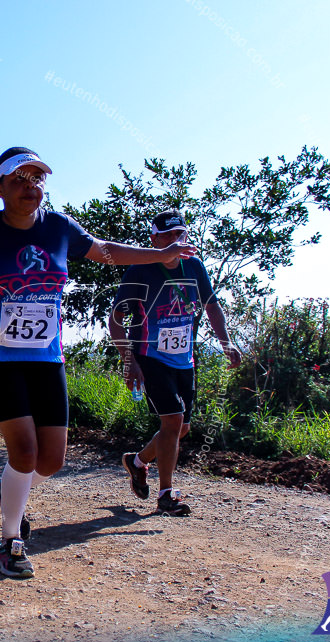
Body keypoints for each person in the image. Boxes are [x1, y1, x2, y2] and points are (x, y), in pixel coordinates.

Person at [0, 147, 196, 578]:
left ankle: (6, 489)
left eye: (37, 178)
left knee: (52, 461)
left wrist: (159, 254)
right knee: (24, 452)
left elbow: (107, 250)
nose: (31, 186)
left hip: (47, 358)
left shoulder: (60, 228)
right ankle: (10, 541)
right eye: (19, 179)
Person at [109, 209, 241, 516]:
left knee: (181, 428)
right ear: (153, 240)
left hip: (184, 359)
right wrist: (129, 361)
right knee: (172, 421)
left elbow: (212, 306)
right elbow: (116, 319)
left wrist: (226, 341)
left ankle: (137, 461)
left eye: (179, 234)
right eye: (167, 236)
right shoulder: (139, 270)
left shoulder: (194, 266)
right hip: (150, 356)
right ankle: (166, 495)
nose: (174, 240)